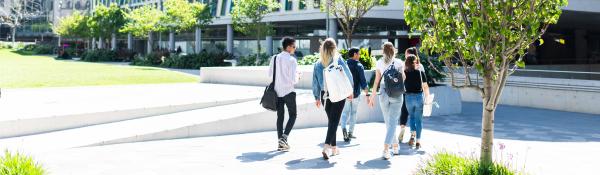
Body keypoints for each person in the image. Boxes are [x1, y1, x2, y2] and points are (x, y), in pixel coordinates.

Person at [312, 38, 353, 160]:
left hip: (325, 95)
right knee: (334, 121)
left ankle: (334, 148)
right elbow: (348, 75)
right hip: (339, 94)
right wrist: (350, 91)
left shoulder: (318, 63)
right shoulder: (338, 60)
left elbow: (315, 82)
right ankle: (326, 147)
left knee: (332, 121)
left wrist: (316, 97)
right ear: (334, 48)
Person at [368, 42, 405, 160]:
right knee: (393, 122)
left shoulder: (379, 62)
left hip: (383, 91)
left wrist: (372, 96)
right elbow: (403, 77)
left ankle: (395, 146)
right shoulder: (399, 62)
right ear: (394, 50)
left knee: (388, 123)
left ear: (383, 51)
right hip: (397, 93)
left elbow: (376, 81)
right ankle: (386, 149)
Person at [268, 37, 300, 152]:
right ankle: (284, 138)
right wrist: (298, 77)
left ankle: (280, 143)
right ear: (289, 47)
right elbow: (293, 80)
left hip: (277, 91)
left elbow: (270, 75)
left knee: (280, 117)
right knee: (293, 115)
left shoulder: (274, 58)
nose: (295, 49)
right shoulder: (292, 60)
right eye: (294, 46)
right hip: (289, 91)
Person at [340, 47, 369, 142]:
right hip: (355, 93)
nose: (359, 55)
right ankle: (350, 132)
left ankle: (343, 128)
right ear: (355, 54)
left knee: (345, 113)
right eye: (359, 54)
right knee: (353, 113)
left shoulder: (344, 65)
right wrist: (367, 93)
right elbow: (363, 81)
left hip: (345, 94)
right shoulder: (359, 66)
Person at [399, 47, 425, 145]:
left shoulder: (405, 68)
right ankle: (417, 139)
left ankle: (407, 132)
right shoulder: (420, 68)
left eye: (406, 54)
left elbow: (402, 81)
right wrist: (426, 97)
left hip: (407, 95)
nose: (405, 56)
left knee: (409, 115)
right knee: (418, 119)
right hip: (418, 95)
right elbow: (424, 83)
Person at [404, 55, 431, 149]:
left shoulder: (404, 72)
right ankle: (418, 141)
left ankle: (412, 135)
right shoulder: (420, 72)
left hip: (408, 97)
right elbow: (425, 86)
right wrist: (427, 98)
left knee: (411, 117)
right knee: (418, 120)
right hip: (419, 97)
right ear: (415, 62)